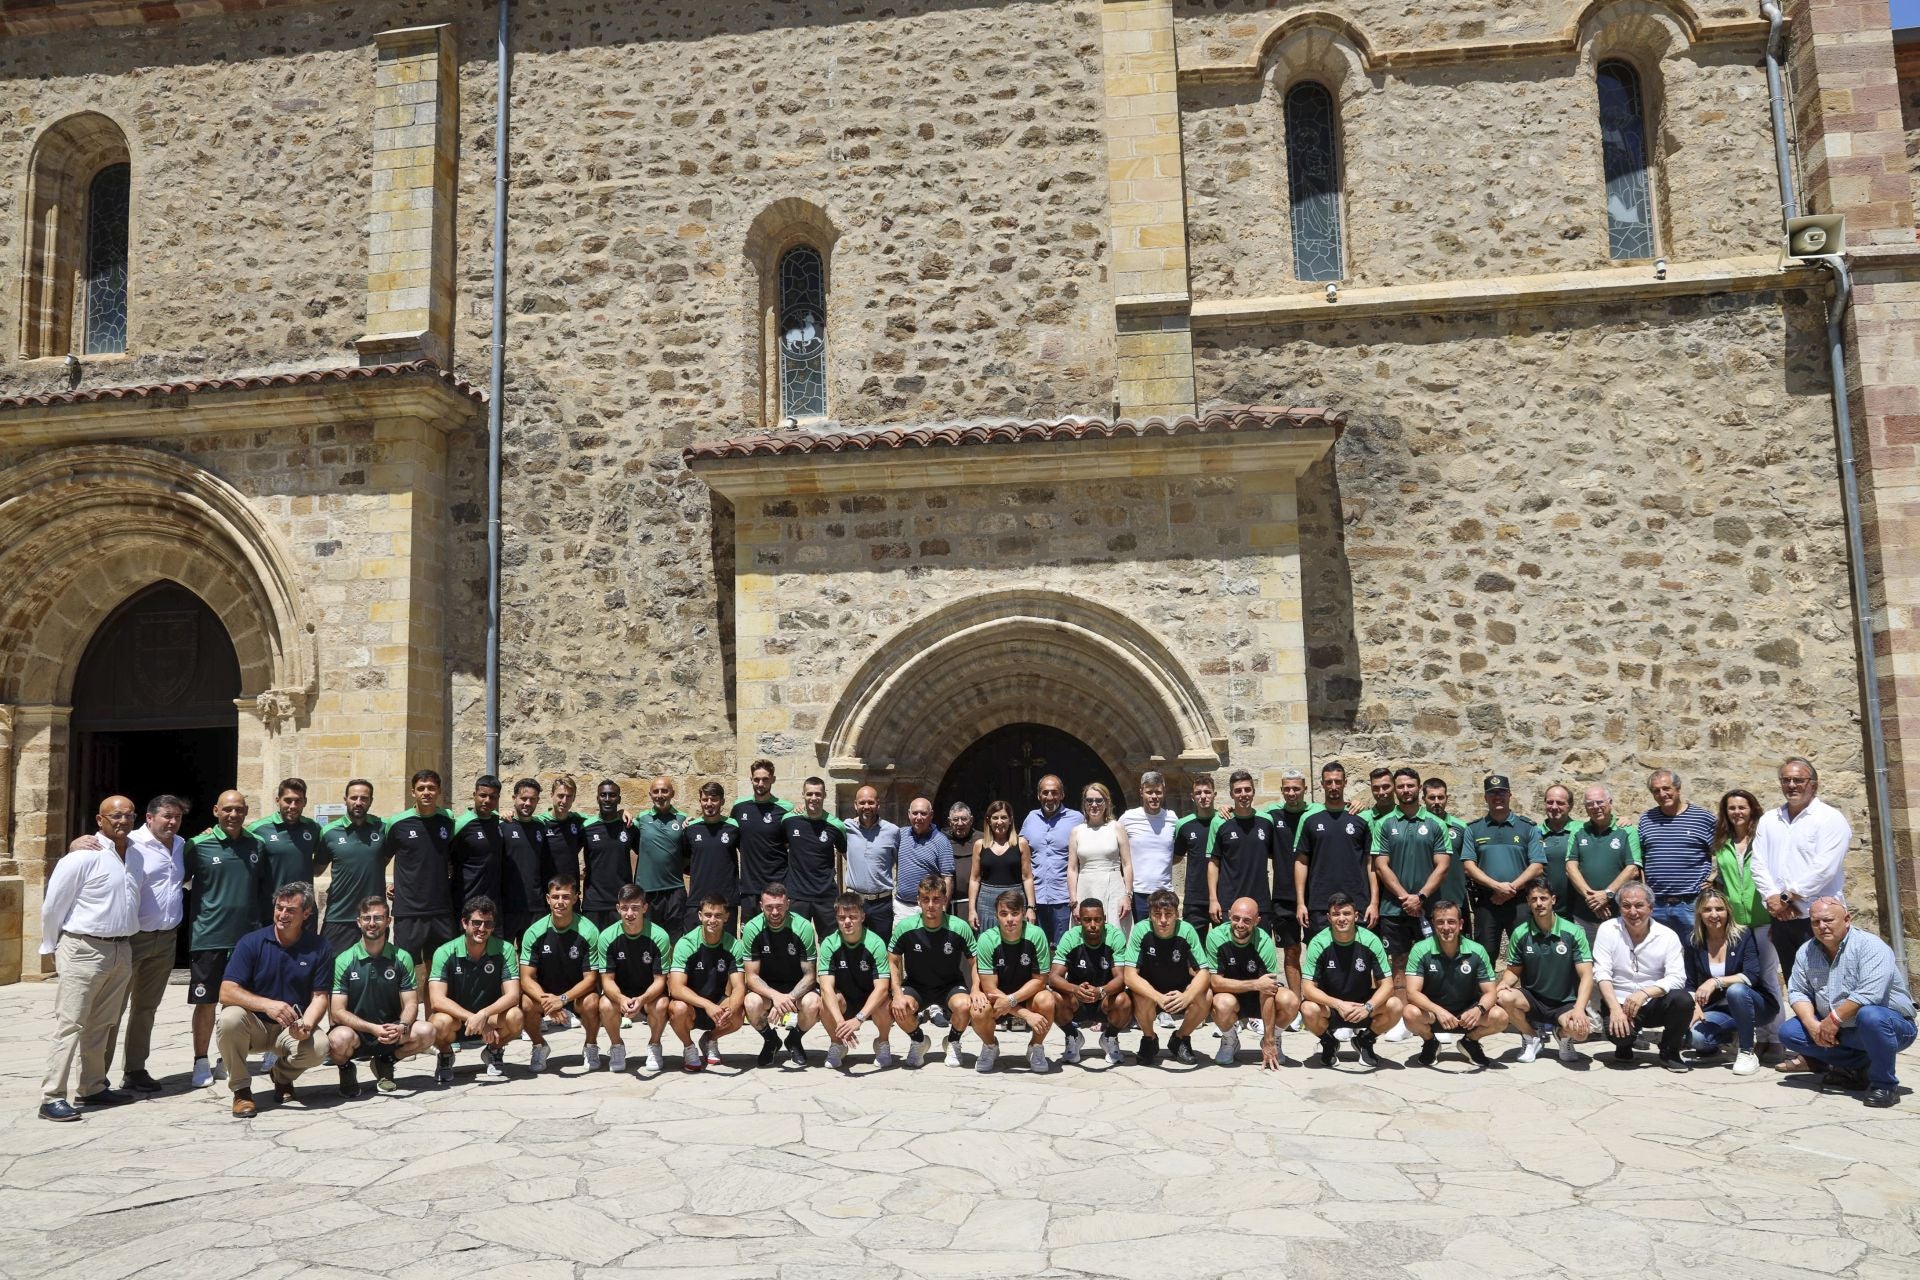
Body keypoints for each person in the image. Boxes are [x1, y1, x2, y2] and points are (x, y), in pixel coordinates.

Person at [38, 795, 139, 1121]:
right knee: (70, 1023)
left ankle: (92, 1087)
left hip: (121, 949)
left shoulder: (135, 855)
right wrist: (50, 946)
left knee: (102, 1024)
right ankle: (52, 1095)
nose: (122, 821)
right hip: (84, 948)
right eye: (115, 816)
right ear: (100, 820)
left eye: (128, 815)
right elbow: (54, 905)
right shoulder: (81, 857)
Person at [1752, 757, 1851, 1073]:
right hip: (1783, 920)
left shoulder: (1830, 819)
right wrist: (1772, 899)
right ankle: (1813, 1054)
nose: (1791, 785)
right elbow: (1758, 864)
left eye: (1798, 779)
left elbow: (1824, 868)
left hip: (1819, 919)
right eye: (1786, 780)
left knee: (1830, 987)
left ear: (1813, 783)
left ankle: (1842, 1055)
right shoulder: (1770, 820)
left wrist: (1786, 896)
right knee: (1799, 986)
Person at [1779, 896, 1916, 1107]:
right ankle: (1858, 1067)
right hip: (1841, 1030)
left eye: (1828, 920)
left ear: (1847, 919)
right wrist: (1813, 1025)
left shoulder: (1870, 946)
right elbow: (1798, 991)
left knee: (1870, 1015)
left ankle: (1884, 1085)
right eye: (1816, 922)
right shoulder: (1806, 951)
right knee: (1790, 1033)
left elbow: (1870, 994)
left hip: (1891, 1026)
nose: (1822, 926)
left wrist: (1832, 1019)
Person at [216, 882, 332, 1116]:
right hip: (253, 1025)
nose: (282, 914)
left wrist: (306, 1025)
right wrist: (266, 1005)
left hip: (290, 1028)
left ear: (307, 913)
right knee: (229, 1018)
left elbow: (320, 996)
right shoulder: (251, 942)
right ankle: (241, 1092)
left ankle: (281, 1077)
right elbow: (226, 991)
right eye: (279, 908)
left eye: (291, 910)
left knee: (319, 1047)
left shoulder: (319, 947)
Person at [186, 790, 269, 1088]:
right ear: (216, 810)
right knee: (206, 1002)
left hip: (246, 940)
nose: (233, 815)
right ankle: (199, 1061)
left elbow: (263, 890)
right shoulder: (197, 845)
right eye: (228, 810)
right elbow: (174, 880)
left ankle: (228, 1059)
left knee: (238, 1006)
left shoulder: (257, 845)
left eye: (239, 810)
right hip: (209, 938)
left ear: (246, 811)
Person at [113, 793, 187, 1094]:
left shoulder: (182, 846)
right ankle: (94, 1077)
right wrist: (77, 842)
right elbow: (96, 848)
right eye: (166, 816)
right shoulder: (129, 843)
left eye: (177, 817)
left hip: (167, 938)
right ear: (149, 817)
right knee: (113, 1009)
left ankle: (135, 1069)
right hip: (134, 938)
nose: (172, 822)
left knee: (146, 1008)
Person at [1370, 767, 1451, 1039]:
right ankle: (1404, 1020)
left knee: (1435, 961)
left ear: (1419, 788)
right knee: (1399, 963)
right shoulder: (1384, 824)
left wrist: (1421, 897)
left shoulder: (1436, 824)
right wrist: (1406, 898)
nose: (1406, 790)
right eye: (1401, 786)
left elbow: (1442, 865)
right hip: (1395, 908)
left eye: (1410, 786)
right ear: (1395, 789)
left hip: (1430, 908)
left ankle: (1437, 1018)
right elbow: (1381, 865)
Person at [325, 895, 432, 1096]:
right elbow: (337, 1011)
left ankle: (385, 1063)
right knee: (338, 1039)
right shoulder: (344, 960)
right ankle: (346, 1069)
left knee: (427, 1031)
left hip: (390, 1031)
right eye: (366, 918)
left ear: (388, 921)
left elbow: (410, 1003)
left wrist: (402, 1026)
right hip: (357, 1032)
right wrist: (372, 1028)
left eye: (378, 918)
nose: (372, 923)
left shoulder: (402, 957)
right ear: (359, 922)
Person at [1708, 787, 1783, 1059]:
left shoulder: (1763, 839)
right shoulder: (1723, 842)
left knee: (1767, 977)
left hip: (1764, 920)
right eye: (1731, 808)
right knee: (1746, 980)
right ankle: (1756, 1036)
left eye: (1742, 807)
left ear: (1752, 809)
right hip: (1737, 924)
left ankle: (1774, 1037)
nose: (1737, 812)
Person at [1591, 882, 1692, 1071]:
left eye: (1639, 905)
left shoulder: (1667, 936)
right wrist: (1615, 1009)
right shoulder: (1607, 929)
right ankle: (1626, 1044)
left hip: (1653, 1001)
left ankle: (1670, 1051)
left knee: (1683, 999)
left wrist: (1644, 993)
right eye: (1626, 906)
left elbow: (1677, 978)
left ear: (1651, 908)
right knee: (1620, 1036)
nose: (1633, 911)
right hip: (1619, 1001)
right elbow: (1601, 972)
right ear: (1619, 908)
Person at [1495, 880, 1595, 1064]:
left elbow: (1587, 975)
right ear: (1528, 902)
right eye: (1534, 899)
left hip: (1565, 1002)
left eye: (1543, 898)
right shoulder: (1520, 933)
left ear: (1553, 900)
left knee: (1581, 1032)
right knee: (1503, 997)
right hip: (1533, 999)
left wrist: (1580, 1009)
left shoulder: (1573, 932)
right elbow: (1513, 971)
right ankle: (1531, 1037)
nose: (1539, 903)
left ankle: (1563, 1036)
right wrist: (1503, 984)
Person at [427, 897, 524, 1083]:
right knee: (437, 1023)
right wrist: (473, 1018)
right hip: (457, 1019)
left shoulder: (505, 949)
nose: (482, 928)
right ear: (464, 923)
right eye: (477, 923)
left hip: (489, 1019)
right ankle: (446, 1055)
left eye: (488, 924)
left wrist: (484, 1015)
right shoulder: (445, 952)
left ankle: (494, 1050)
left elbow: (513, 995)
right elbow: (437, 1000)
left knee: (516, 1016)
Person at [1683, 885, 1778, 1076]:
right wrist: (1695, 1006)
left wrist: (1715, 981)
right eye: (1707, 910)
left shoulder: (1743, 935)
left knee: (1736, 990)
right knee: (1696, 1038)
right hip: (1721, 1009)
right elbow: (1690, 983)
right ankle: (1729, 1036)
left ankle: (1747, 1051)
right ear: (1699, 914)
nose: (1714, 914)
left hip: (1755, 1004)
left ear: (1728, 911)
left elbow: (1752, 975)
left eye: (1719, 909)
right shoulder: (1694, 941)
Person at [1299, 892, 1400, 1069]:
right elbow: (1307, 989)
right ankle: (1329, 1042)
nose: (1341, 918)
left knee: (1396, 1005)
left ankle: (1365, 1040)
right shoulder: (1318, 942)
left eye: (1346, 913)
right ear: (1329, 917)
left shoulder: (1370, 940)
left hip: (1362, 1005)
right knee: (1308, 1008)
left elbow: (1387, 984)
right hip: (1332, 1007)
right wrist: (1338, 1004)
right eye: (1336, 914)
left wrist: (1368, 1007)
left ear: (1356, 916)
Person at [887, 874, 978, 1068]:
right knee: (897, 1007)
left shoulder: (959, 927)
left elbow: (975, 962)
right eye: (925, 899)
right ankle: (919, 1040)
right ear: (918, 900)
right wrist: (896, 993)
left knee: (964, 1005)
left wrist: (976, 989)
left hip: (950, 986)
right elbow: (893, 960)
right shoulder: (905, 927)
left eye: (936, 899)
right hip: (916, 986)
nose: (931, 905)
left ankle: (953, 1041)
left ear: (945, 900)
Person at [1403, 899, 1506, 1067]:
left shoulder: (1477, 950)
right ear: (1433, 925)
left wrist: (1478, 1010)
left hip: (1468, 1012)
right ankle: (1430, 1042)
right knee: (1409, 1013)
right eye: (1440, 922)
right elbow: (1412, 993)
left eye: (1451, 922)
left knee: (1500, 1017)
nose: (1446, 927)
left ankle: (1470, 1041)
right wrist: (1439, 1011)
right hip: (1434, 1012)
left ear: (1460, 924)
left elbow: (1490, 992)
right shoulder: (1420, 949)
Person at [1204, 896, 1300, 1069]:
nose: (1240, 924)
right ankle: (1230, 1040)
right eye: (1236, 918)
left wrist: (1269, 1039)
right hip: (1231, 995)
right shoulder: (1215, 937)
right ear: (1229, 915)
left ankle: (1274, 1039)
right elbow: (1215, 982)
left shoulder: (1264, 943)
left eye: (1247, 920)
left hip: (1260, 997)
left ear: (1257, 921)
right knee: (1220, 1002)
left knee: (1291, 1001)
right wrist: (1255, 984)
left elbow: (1268, 991)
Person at [519, 877, 604, 1071]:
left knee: (592, 1002)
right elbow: (526, 978)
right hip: (545, 993)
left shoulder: (589, 930)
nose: (560, 902)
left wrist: (563, 999)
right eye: (555, 897)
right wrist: (548, 1002)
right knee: (525, 1003)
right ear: (548, 899)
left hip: (576, 994)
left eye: (566, 897)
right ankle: (539, 1046)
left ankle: (590, 1045)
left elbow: (591, 979)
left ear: (575, 898)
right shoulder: (534, 932)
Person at [1120, 888, 1209, 1065]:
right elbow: (1129, 976)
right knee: (1140, 993)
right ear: (1150, 915)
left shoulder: (1187, 930)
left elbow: (1204, 973)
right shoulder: (1141, 930)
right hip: (1152, 990)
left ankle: (1180, 1038)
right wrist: (1157, 997)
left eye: (1168, 914)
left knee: (1206, 996)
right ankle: (1149, 1039)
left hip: (1180, 990)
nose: (1162, 920)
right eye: (1157, 914)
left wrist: (1187, 996)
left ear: (1177, 914)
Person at [1462, 775, 1543, 967]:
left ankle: (1527, 996)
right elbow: (1468, 866)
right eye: (1492, 793)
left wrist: (1510, 889)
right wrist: (1496, 887)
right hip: (1486, 902)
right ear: (1485, 797)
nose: (1497, 797)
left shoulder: (1527, 827)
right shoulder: (1474, 829)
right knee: (1484, 954)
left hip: (1520, 901)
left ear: (1510, 795)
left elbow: (1537, 866)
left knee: (1526, 952)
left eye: (1501, 792)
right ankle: (1485, 996)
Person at [970, 890, 1056, 1073]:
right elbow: (989, 989)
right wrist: (1026, 1015)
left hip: (1026, 995)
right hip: (997, 999)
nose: (1009, 919)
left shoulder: (1036, 935)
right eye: (1004, 914)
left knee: (1047, 1000)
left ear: (1023, 914)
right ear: (996, 916)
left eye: (1014, 913)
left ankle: (1036, 1047)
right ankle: (990, 1046)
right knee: (977, 1009)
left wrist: (1012, 1000)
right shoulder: (986, 939)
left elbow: (1040, 981)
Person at [382, 769, 458, 967]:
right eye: (421, 788)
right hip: (408, 910)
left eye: (431, 788)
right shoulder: (397, 823)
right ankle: (409, 1000)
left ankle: (433, 1000)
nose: (426, 792)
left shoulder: (448, 820)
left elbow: (452, 857)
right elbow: (382, 858)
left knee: (439, 969)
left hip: (441, 909)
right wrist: (389, 884)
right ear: (412, 792)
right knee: (406, 967)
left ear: (439, 791)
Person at [741, 882, 821, 1068]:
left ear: (788, 904)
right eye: (769, 907)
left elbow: (810, 975)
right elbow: (751, 977)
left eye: (779, 906)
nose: (775, 912)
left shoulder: (803, 928)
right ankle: (771, 1040)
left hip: (797, 988)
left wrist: (788, 998)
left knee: (813, 1003)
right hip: (767, 989)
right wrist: (775, 997)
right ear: (761, 906)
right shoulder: (752, 929)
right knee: (751, 1003)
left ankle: (794, 1039)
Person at [1294, 762, 1378, 938]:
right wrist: (1301, 903)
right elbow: (1301, 862)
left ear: (1345, 782)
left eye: (1338, 782)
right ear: (1322, 784)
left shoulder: (1362, 818)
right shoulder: (1309, 818)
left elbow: (1372, 863)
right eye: (1329, 782)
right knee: (1319, 959)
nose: (1333, 786)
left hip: (1357, 903)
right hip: (1318, 904)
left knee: (1359, 960)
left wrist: (1374, 902)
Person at [596, 883, 673, 1073]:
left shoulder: (659, 936)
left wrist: (641, 1000)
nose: (629, 913)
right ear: (618, 908)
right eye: (624, 908)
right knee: (605, 1004)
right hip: (620, 992)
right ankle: (617, 1046)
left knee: (662, 1004)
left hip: (649, 992)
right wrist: (621, 999)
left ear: (645, 908)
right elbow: (607, 980)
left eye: (635, 908)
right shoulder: (607, 937)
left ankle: (655, 1045)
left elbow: (660, 981)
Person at [667, 893, 748, 1072]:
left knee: (738, 1012)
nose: (713, 920)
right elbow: (676, 987)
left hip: (718, 1005)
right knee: (677, 1008)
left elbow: (739, 986)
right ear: (700, 916)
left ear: (727, 917)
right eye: (708, 915)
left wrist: (731, 1009)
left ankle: (710, 1039)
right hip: (692, 1006)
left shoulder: (733, 945)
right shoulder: (686, 944)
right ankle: (689, 1047)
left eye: (718, 915)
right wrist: (707, 1005)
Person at [1048, 897, 1131, 1065]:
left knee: (1125, 1000)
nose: (1093, 924)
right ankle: (1072, 1035)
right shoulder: (1070, 938)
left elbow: (1122, 979)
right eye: (1087, 920)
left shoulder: (1115, 937)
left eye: (1097, 919)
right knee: (1054, 998)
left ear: (1104, 919)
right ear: (1079, 920)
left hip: (1105, 999)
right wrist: (1075, 989)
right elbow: (1053, 977)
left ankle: (1110, 1037)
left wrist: (1101, 991)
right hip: (1077, 1000)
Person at [818, 891, 895, 1069]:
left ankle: (882, 1043)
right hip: (845, 998)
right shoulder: (829, 943)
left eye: (852, 916)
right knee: (826, 1001)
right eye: (842, 917)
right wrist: (841, 1024)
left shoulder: (876, 943)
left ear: (862, 916)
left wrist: (858, 1019)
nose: (847, 922)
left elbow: (882, 988)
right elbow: (826, 988)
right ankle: (837, 1043)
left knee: (884, 1002)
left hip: (870, 999)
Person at [1636, 768, 1717, 937]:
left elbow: (1725, 850)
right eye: (1656, 791)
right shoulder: (1646, 819)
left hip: (1691, 902)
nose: (1662, 794)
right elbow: (1640, 858)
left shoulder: (1702, 818)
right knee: (1657, 956)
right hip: (1656, 904)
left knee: (1696, 952)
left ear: (1678, 789)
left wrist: (1713, 877)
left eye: (1666, 788)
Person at [315, 780, 386, 954]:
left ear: (371, 801)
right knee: (333, 970)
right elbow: (316, 870)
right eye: (354, 797)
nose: (358, 802)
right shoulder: (329, 832)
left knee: (375, 971)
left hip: (373, 917)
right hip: (339, 916)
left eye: (364, 798)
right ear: (345, 799)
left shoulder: (383, 828)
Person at [1566, 785, 1643, 943]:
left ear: (1610, 802)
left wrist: (1607, 894)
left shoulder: (1627, 830)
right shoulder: (1578, 831)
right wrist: (1593, 899)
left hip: (1618, 914)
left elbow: (1632, 868)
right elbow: (1570, 867)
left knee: (1620, 962)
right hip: (1583, 915)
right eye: (1590, 803)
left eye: (1600, 802)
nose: (1595, 807)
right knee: (1586, 962)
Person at [1264, 769, 1311, 999]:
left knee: (1318, 952)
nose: (1291, 793)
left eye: (1296, 788)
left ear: (1305, 789)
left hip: (1314, 896)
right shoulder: (1272, 816)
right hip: (1283, 897)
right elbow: (1247, 814)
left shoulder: (1315, 814)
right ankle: (1296, 1002)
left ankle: (1317, 1000)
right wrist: (1228, 809)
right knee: (1291, 951)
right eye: (1287, 789)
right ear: (1282, 790)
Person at [1021, 774, 1084, 945]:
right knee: (1037, 949)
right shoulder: (1031, 818)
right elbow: (1021, 851)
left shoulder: (1077, 819)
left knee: (1062, 949)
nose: (1050, 797)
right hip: (1036, 898)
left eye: (1055, 792)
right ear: (1038, 795)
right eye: (1045, 792)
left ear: (1062, 795)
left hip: (1063, 898)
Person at [1205, 771, 1272, 930]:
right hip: (1228, 902)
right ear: (1231, 794)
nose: (1243, 794)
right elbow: (1213, 863)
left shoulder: (1267, 821)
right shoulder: (1219, 821)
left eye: (1247, 790)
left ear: (1253, 792)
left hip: (1260, 902)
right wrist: (1213, 900)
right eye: (1238, 790)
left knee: (1260, 952)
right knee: (1226, 951)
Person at [781, 777, 846, 939]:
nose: (814, 798)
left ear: (824, 795)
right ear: (803, 795)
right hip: (797, 895)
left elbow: (848, 856)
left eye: (818, 794)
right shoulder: (789, 821)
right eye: (809, 794)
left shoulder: (836, 826)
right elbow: (781, 849)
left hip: (825, 896)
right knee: (794, 944)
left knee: (830, 944)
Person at [249, 780, 322, 922]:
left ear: (305, 802)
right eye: (288, 801)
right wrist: (208, 834)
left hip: (305, 912)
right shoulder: (258, 830)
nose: (292, 806)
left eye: (298, 801)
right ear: (277, 800)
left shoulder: (314, 828)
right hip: (273, 911)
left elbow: (319, 864)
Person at [731, 759, 793, 916]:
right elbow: (733, 837)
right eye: (756, 779)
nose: (760, 783)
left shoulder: (786, 809)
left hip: (778, 885)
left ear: (773, 779)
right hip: (749, 887)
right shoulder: (739, 807)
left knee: (779, 936)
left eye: (765, 779)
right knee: (749, 937)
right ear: (751, 779)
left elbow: (791, 844)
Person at [1069, 781, 1133, 927]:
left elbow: (1127, 864)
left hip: (1113, 886)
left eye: (1099, 800)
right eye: (1089, 800)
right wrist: (1074, 901)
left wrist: (1127, 896)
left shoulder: (1117, 828)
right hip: (1085, 887)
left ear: (1106, 802)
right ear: (1084, 803)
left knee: (1115, 934)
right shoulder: (1076, 831)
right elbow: (1072, 869)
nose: (1094, 804)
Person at [634, 777, 689, 939]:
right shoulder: (641, 818)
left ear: (672, 793)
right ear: (650, 794)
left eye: (664, 791)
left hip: (674, 891)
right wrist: (623, 812)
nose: (660, 795)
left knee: (675, 939)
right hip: (647, 892)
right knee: (648, 939)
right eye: (656, 791)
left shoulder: (683, 819)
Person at [965, 799, 1034, 932]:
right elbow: (974, 879)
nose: (999, 822)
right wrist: (971, 910)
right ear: (988, 820)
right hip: (986, 902)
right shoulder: (980, 845)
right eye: (995, 818)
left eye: (1004, 817)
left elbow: (1027, 877)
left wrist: (1031, 908)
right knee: (989, 944)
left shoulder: (1021, 844)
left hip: (1015, 898)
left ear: (1010, 819)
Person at [499, 778, 553, 946]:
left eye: (533, 799)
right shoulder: (502, 826)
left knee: (533, 960)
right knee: (504, 959)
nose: (527, 803)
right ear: (514, 797)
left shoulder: (541, 827)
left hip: (536, 907)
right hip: (508, 907)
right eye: (524, 798)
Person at [680, 781, 741, 931]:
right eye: (705, 799)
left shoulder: (734, 827)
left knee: (727, 948)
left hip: (727, 900)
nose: (709, 803)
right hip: (697, 899)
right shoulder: (691, 829)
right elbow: (684, 861)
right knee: (694, 947)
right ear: (700, 801)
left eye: (714, 799)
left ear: (722, 802)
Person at [1119, 771, 1177, 926]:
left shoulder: (1172, 818)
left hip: (1165, 892)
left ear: (1164, 792)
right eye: (1149, 792)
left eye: (1158, 792)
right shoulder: (1128, 818)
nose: (1154, 796)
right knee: (1140, 939)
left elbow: (1177, 854)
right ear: (1141, 792)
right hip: (1138, 893)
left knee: (1165, 938)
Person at [449, 775, 507, 929]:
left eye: (492, 797)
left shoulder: (499, 822)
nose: (487, 800)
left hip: (494, 903)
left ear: (498, 798)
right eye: (483, 795)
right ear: (474, 795)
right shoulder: (460, 825)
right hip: (467, 900)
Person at [845, 784, 902, 937]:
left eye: (870, 802)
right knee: (854, 947)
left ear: (878, 804)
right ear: (855, 805)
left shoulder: (893, 831)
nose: (866, 806)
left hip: (882, 904)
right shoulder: (846, 828)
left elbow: (899, 864)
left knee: (881, 950)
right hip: (854, 901)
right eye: (862, 802)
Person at [578, 779, 635, 931]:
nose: (608, 799)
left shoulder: (629, 826)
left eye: (612, 795)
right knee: (593, 950)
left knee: (621, 951)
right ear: (597, 798)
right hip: (593, 902)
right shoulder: (586, 827)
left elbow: (646, 855)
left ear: (619, 799)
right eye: (603, 795)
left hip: (622, 901)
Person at [1175, 775, 1224, 945]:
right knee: (1194, 952)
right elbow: (1175, 857)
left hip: (1223, 896)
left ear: (1214, 794)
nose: (1203, 796)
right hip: (1195, 898)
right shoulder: (1183, 825)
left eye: (1207, 792)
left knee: (1223, 951)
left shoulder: (1225, 821)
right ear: (1192, 797)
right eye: (1198, 793)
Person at [1421, 777, 1473, 933]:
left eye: (1440, 797)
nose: (1436, 801)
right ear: (1423, 799)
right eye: (1431, 797)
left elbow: (1468, 864)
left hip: (1456, 900)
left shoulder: (1461, 827)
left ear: (1447, 798)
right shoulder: (1417, 826)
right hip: (1426, 901)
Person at [896, 797, 956, 927]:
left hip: (929, 908)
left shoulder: (942, 842)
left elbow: (948, 877)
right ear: (909, 814)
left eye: (923, 813)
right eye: (915, 813)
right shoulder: (900, 835)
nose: (918, 817)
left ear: (931, 815)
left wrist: (943, 907)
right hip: (902, 907)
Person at [538, 774, 586, 893]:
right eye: (560, 796)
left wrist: (621, 812)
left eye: (569, 796)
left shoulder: (579, 820)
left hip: (570, 891)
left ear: (574, 798)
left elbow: (601, 819)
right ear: (551, 796)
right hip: (547, 891)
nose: (564, 801)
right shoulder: (539, 822)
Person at [1535, 785, 1577, 918]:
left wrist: (1623, 820)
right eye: (1549, 802)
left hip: (1577, 910)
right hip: (1544, 909)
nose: (1554, 807)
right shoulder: (1535, 832)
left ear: (1570, 805)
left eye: (1560, 803)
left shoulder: (1582, 829)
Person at [947, 802, 981, 927]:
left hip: (976, 906)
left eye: (964, 819)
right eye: (956, 819)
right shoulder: (942, 841)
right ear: (949, 822)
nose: (960, 823)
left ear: (971, 820)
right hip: (950, 907)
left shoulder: (982, 840)